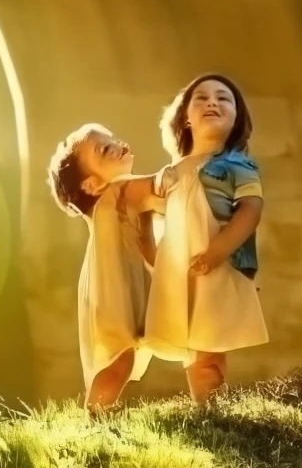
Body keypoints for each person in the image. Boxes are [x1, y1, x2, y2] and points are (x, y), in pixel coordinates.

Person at [144, 74, 269, 403]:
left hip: (216, 264)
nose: (212, 102)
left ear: (237, 117)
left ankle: (212, 408)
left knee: (210, 341)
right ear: (185, 116)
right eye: (201, 97)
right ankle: (202, 406)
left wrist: (219, 250)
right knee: (191, 340)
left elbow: (250, 210)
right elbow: (160, 216)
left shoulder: (236, 166)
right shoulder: (173, 170)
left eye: (223, 98)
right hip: (181, 267)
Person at [46, 123, 165, 410]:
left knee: (123, 359)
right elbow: (165, 187)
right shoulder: (119, 192)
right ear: (93, 185)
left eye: (112, 139)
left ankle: (98, 416)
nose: (116, 144)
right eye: (103, 149)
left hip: (127, 286)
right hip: (113, 290)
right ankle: (95, 417)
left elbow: (148, 241)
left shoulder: (126, 194)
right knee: (118, 359)